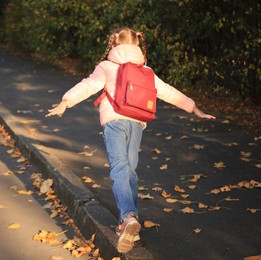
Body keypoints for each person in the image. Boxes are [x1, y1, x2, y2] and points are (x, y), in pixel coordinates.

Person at [46, 28, 215, 253]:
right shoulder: (145, 70)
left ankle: (128, 218)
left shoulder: (107, 66)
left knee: (119, 169)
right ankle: (130, 221)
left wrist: (65, 102)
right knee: (130, 170)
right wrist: (194, 108)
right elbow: (167, 91)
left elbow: (88, 85)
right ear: (137, 45)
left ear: (115, 43)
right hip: (136, 123)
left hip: (114, 122)